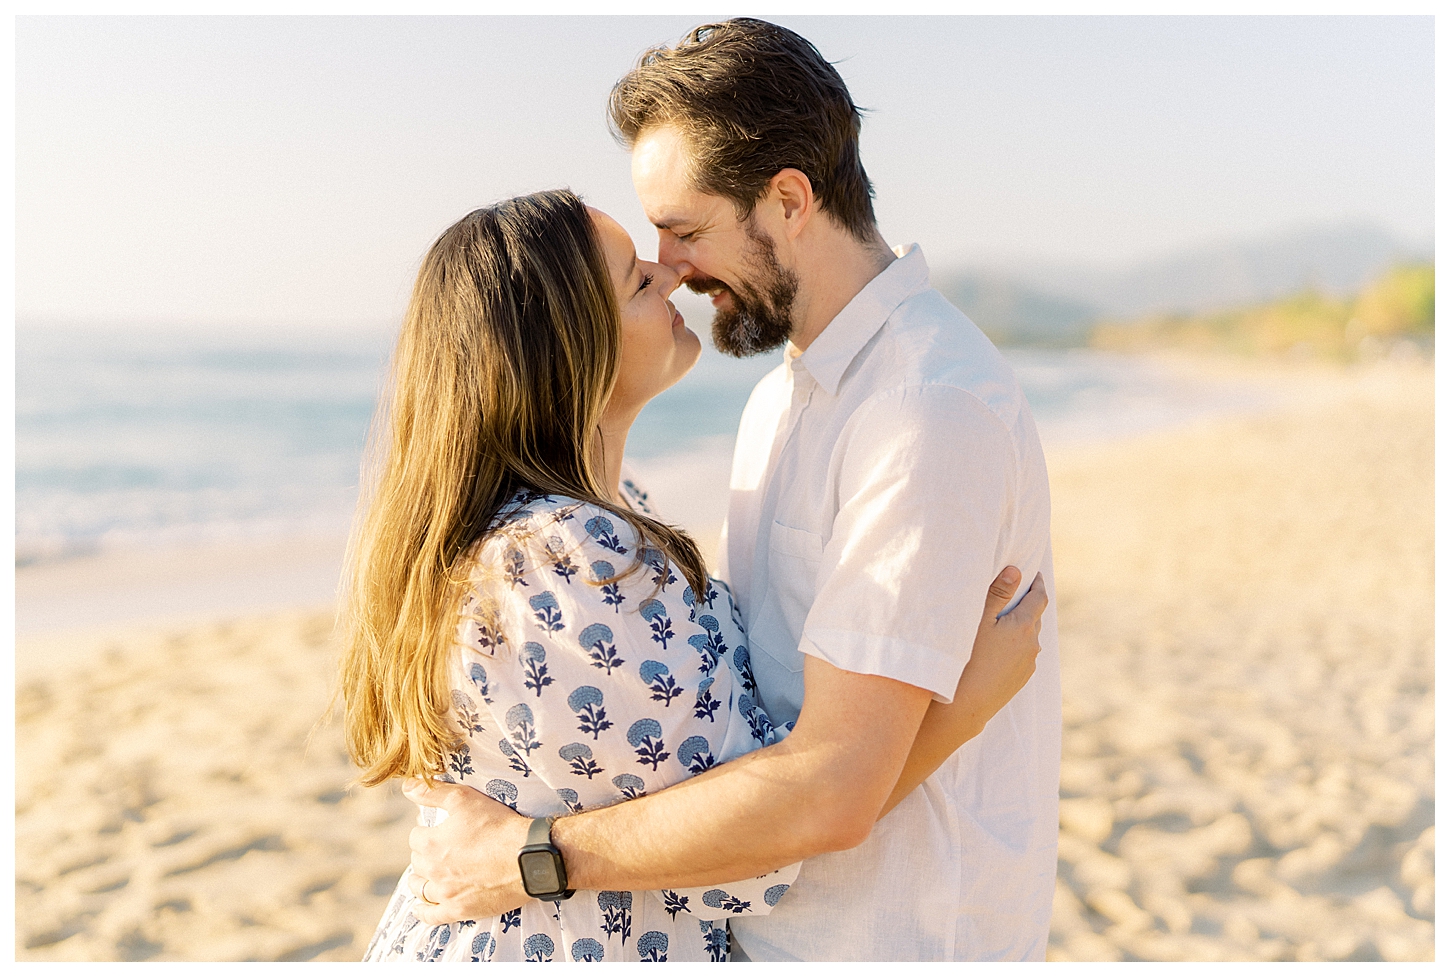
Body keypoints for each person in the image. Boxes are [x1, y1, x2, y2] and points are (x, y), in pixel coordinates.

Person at [404, 18, 1061, 962]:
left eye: (685, 229)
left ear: (789, 199)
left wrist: (531, 857)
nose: (667, 266)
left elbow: (833, 786)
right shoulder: (779, 402)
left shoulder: (924, 409)